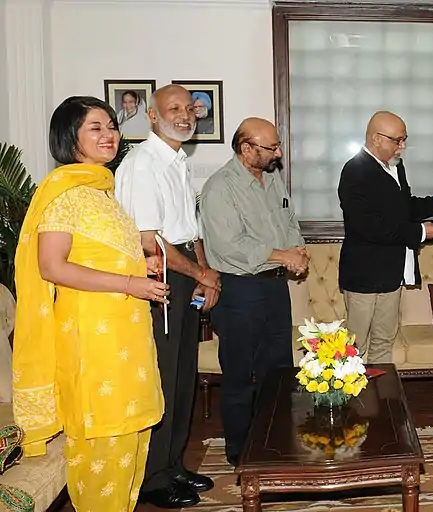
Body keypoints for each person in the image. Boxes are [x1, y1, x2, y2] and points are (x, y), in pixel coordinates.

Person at [12, 95, 168, 511]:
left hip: (125, 339)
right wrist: (130, 282)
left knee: (131, 445)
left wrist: (143, 262)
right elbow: (52, 266)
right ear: (69, 138)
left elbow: (97, 254)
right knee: (103, 454)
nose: (109, 135)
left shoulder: (100, 190)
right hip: (93, 348)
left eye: (112, 126)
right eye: (95, 127)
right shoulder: (65, 194)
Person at [115, 84, 219, 508]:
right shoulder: (142, 163)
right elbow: (150, 241)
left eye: (189, 108)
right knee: (161, 380)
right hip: (158, 279)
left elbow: (188, 230)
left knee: (182, 377)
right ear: (152, 117)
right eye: (172, 108)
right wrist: (199, 273)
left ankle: (173, 463)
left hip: (184, 275)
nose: (185, 115)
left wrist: (204, 275)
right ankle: (153, 478)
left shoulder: (177, 160)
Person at [199, 117, 309, 466]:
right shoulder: (219, 188)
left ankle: (274, 442)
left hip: (275, 288)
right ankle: (241, 451)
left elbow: (289, 221)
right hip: (240, 292)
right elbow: (230, 246)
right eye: (270, 147)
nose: (278, 152)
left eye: (277, 145)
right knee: (240, 375)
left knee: (277, 372)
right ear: (246, 149)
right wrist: (282, 255)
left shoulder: (273, 179)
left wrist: (298, 251)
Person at [337, 111, 433, 364]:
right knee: (354, 347)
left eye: (404, 139)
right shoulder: (354, 171)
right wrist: (421, 231)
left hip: (391, 273)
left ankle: (377, 400)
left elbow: (405, 207)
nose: (402, 146)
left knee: (384, 341)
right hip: (364, 277)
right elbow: (368, 226)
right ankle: (350, 402)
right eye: (397, 140)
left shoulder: (396, 167)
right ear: (376, 139)